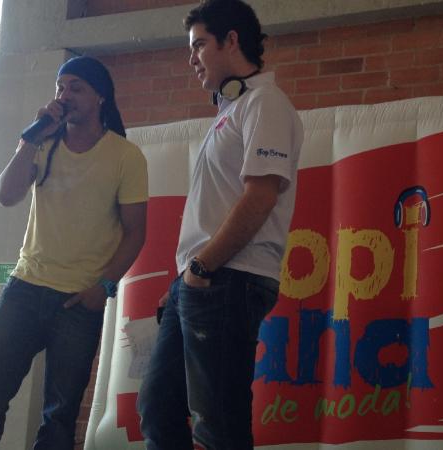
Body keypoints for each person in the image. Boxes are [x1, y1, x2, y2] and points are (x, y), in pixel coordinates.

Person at [136, 0, 304, 448]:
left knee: (219, 427)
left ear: (231, 40)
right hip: (200, 280)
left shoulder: (265, 103)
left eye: (199, 45)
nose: (191, 58)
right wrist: (184, 278)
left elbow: (261, 196)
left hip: (228, 278)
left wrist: (201, 267)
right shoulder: (232, 109)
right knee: (158, 408)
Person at [0, 56, 148, 450]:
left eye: (76, 88)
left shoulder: (125, 156)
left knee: (59, 415)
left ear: (100, 96)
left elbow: (136, 232)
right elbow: (5, 195)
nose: (64, 95)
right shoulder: (42, 144)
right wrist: (30, 139)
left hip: (77, 301)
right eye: (60, 87)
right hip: (25, 287)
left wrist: (104, 287)